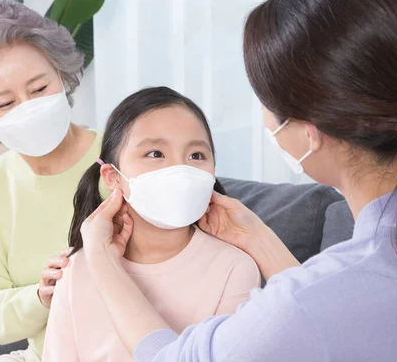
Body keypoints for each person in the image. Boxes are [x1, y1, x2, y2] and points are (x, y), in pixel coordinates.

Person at [73, 0, 397, 362]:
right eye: (155, 153)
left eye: (264, 101)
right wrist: (258, 239)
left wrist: (101, 259)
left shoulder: (304, 299)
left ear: (308, 132)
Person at [42, 87, 260, 361]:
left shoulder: (235, 269)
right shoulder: (76, 270)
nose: (179, 170)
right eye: (155, 153)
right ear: (112, 176)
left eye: (196, 155)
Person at [0, 0, 101, 361]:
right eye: (4, 103)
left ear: (61, 75)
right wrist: (40, 296)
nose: (27, 107)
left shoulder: (125, 153)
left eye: (39, 88)